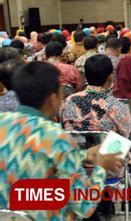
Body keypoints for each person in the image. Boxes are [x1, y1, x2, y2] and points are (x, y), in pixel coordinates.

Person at [0, 61, 124, 220]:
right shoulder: (56, 137)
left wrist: (82, 155)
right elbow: (85, 205)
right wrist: (100, 167)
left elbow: (35, 160)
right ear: (53, 98)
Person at [61, 55, 131, 204]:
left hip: (77, 163)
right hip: (109, 165)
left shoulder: (68, 101)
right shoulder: (117, 107)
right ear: (110, 77)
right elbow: (126, 140)